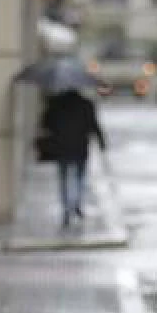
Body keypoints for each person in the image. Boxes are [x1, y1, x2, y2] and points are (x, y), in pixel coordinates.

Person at [41, 88, 107, 227]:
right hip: (80, 147)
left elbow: (45, 124)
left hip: (61, 147)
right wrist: (101, 142)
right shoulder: (86, 104)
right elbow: (93, 125)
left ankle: (66, 208)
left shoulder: (55, 104)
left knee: (64, 179)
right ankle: (76, 204)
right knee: (79, 177)